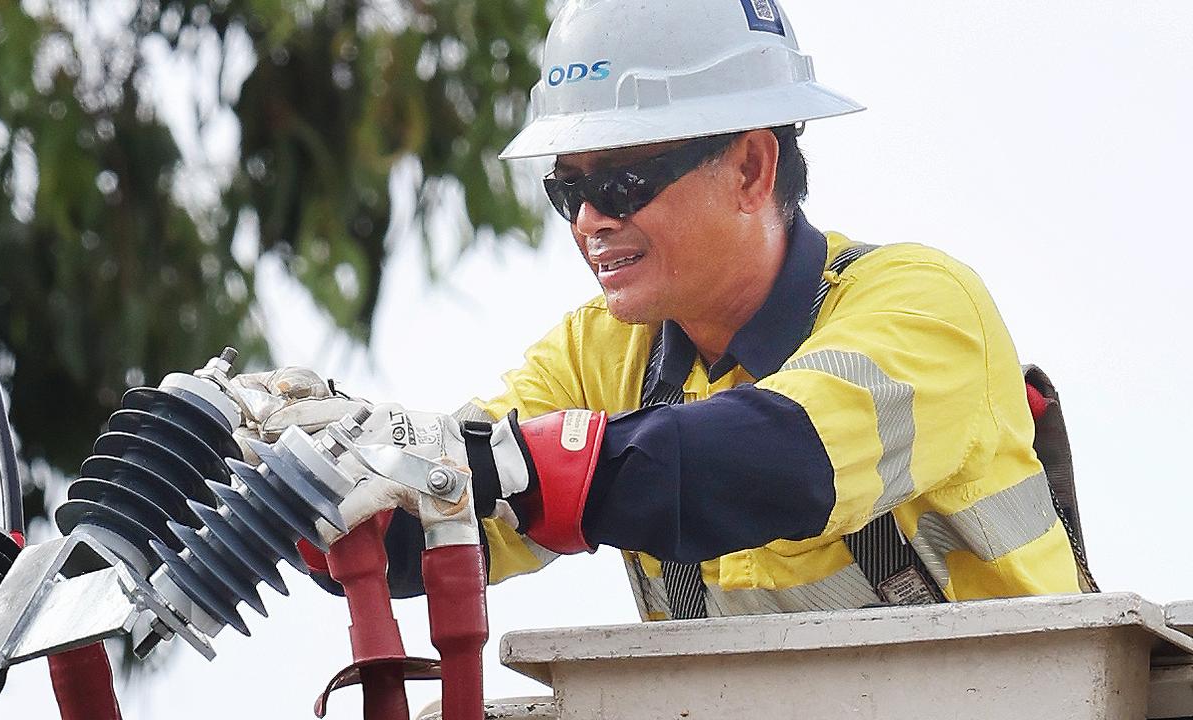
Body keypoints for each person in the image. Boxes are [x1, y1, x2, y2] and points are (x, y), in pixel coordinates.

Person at [234, 0, 1081, 620]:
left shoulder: (925, 306)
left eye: (622, 181)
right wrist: (325, 493)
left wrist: (522, 463)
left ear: (751, 168)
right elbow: (457, 505)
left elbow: (776, 458)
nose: (591, 219)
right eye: (568, 188)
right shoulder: (600, 355)